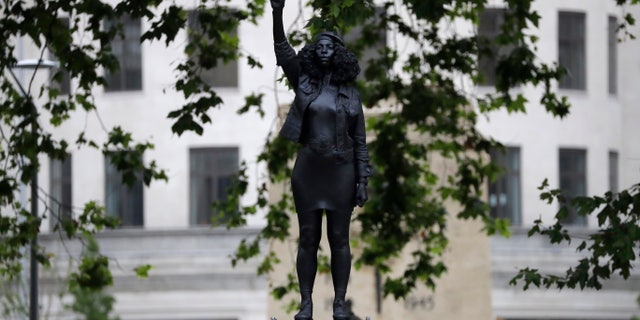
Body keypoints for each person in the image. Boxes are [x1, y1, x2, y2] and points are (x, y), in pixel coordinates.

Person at [270, 1, 372, 319]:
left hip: (341, 171)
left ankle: (340, 303)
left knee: (339, 238)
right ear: (315, 52)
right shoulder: (302, 81)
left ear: (338, 54)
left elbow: (360, 142)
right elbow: (283, 51)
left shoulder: (352, 96)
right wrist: (277, 13)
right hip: (309, 170)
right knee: (309, 238)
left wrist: (362, 180)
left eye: (330, 46)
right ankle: (306, 304)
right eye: (320, 46)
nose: (324, 50)